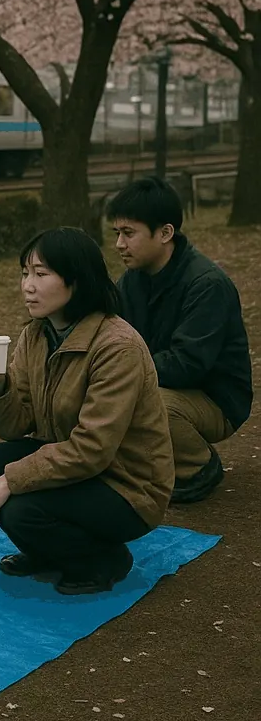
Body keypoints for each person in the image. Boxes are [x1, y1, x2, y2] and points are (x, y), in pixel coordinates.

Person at [0, 227, 174, 595]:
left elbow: (92, 448)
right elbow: (16, 425)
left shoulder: (116, 347)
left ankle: (103, 561)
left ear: (76, 280)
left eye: (41, 274)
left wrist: (12, 479)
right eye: (25, 272)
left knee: (19, 506)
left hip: (126, 485)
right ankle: (47, 551)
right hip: (77, 469)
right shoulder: (37, 335)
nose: (28, 285)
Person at [107, 176, 253, 503]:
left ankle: (197, 467)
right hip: (164, 383)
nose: (119, 244)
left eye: (128, 233)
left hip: (217, 399)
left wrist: (123, 372)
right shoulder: (132, 281)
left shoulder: (206, 284)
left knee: (145, 399)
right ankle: (148, 466)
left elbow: (188, 365)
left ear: (165, 233)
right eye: (117, 233)